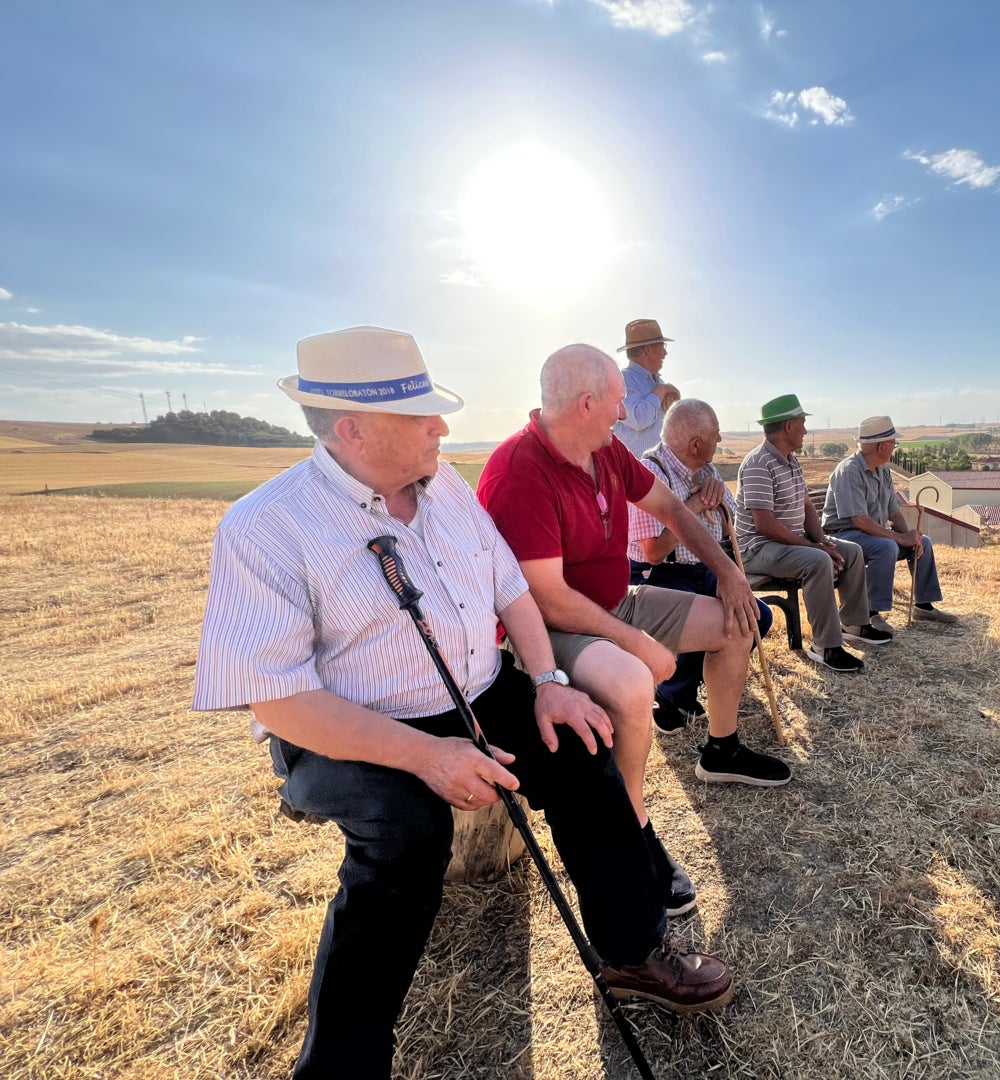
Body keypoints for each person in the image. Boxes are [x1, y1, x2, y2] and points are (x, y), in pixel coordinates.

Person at [192, 327, 733, 1080]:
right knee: (405, 835)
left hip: (478, 694)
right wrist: (425, 755)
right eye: (420, 414)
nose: (441, 427)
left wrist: (547, 684)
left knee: (584, 749)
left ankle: (633, 953)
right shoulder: (265, 527)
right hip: (350, 732)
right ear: (353, 429)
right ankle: (343, 1066)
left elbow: (510, 584)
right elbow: (280, 701)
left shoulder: (443, 484)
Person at [477, 345, 793, 916]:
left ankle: (720, 750)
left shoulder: (607, 451)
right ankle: (635, 829)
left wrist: (727, 574)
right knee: (630, 685)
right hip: (549, 628)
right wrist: (634, 640)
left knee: (735, 622)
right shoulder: (518, 470)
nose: (625, 415)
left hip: (616, 600)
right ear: (586, 403)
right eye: (619, 403)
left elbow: (672, 509)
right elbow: (545, 597)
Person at [627, 398, 774, 733]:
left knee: (757, 617)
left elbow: (729, 528)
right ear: (696, 444)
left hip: (702, 569)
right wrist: (692, 506)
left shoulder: (706, 470)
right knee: (710, 621)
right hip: (659, 574)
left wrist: (720, 500)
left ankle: (695, 680)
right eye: (716, 435)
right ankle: (670, 693)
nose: (720, 441)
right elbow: (654, 551)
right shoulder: (648, 473)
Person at [734, 394, 888, 673]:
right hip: (757, 549)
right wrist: (814, 549)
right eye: (803, 423)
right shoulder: (758, 463)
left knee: (851, 551)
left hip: (787, 545)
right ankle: (825, 646)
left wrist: (823, 541)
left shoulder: (791, 460)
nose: (806, 430)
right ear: (789, 426)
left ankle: (854, 624)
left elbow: (806, 508)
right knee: (817, 561)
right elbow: (764, 524)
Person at [821, 415, 960, 629]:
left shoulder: (883, 470)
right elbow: (859, 520)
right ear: (882, 446)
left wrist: (910, 537)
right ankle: (870, 613)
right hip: (842, 536)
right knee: (884, 547)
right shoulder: (849, 471)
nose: (895, 447)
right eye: (894, 443)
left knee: (925, 542)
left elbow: (893, 511)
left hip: (869, 534)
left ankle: (923, 605)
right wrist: (898, 538)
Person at [612, 318, 680, 456]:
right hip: (633, 473)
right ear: (649, 349)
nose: (665, 354)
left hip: (656, 472)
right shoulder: (623, 379)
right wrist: (662, 390)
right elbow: (639, 419)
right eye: (663, 347)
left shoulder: (658, 381)